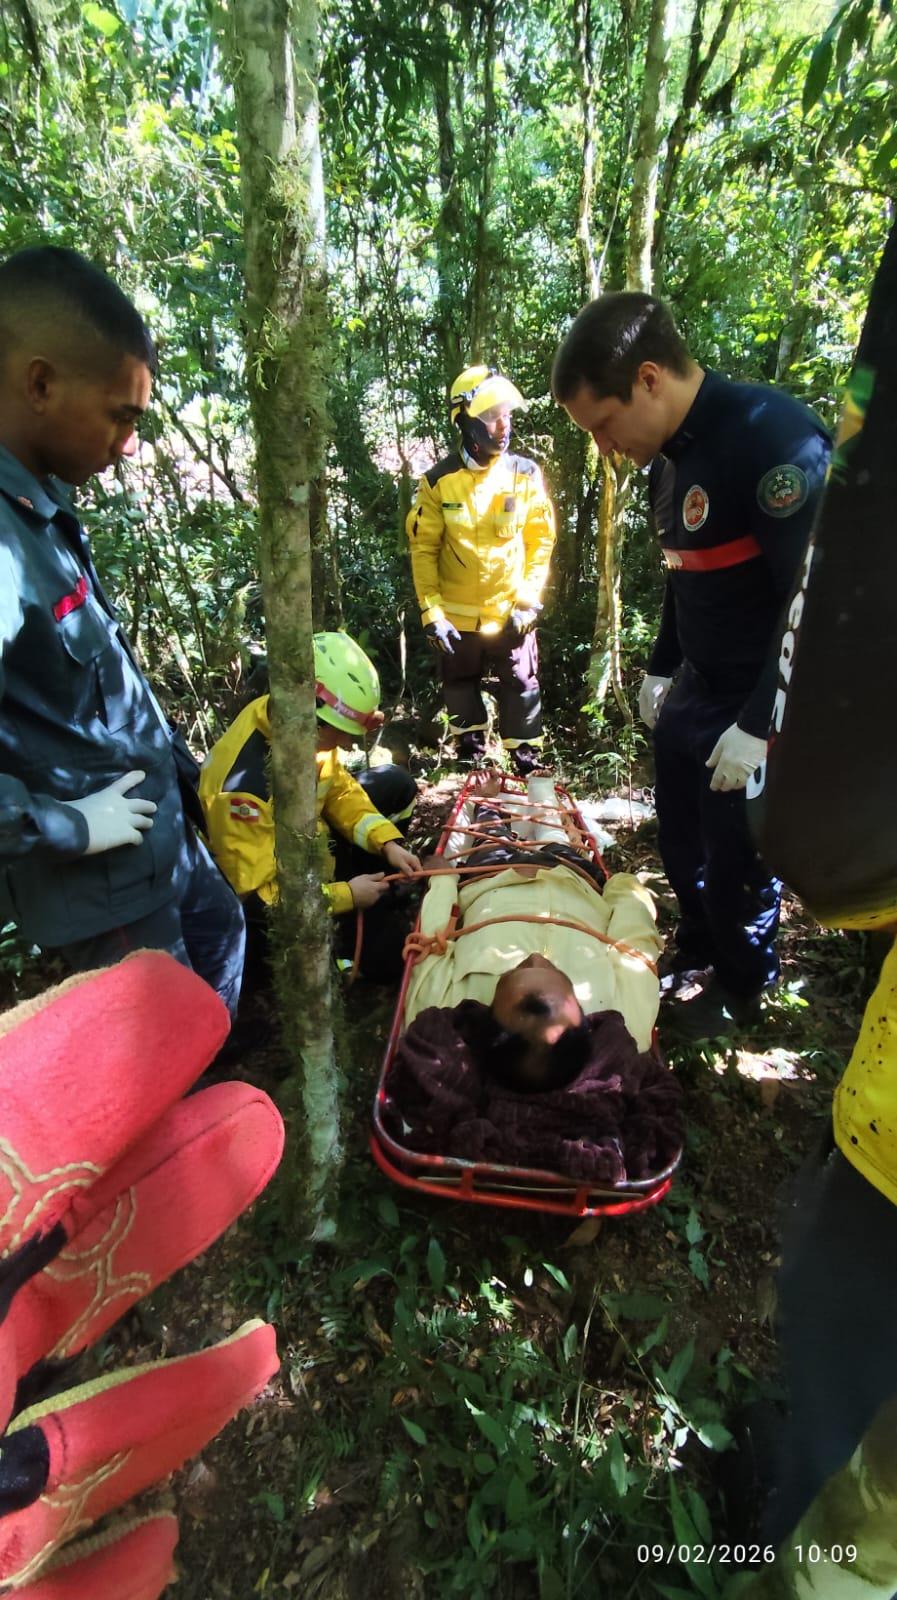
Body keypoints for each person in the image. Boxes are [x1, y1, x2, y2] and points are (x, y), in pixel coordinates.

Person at [552, 294, 831, 1038]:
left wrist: (757, 724)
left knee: (737, 859)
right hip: (694, 691)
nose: (606, 447)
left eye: (603, 425)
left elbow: (811, 601)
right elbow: (684, 575)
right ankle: (697, 947)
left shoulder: (771, 439)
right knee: (680, 843)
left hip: (756, 702)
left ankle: (743, 986)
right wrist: (659, 665)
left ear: (648, 379)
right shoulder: (664, 468)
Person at [0, 244, 245, 1016]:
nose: (129, 442)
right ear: (40, 383)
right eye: (120, 415)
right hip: (99, 884)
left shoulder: (38, 508)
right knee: (154, 1061)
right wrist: (65, 826)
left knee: (222, 939)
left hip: (154, 834)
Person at [382, 775, 682, 1183]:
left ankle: (491, 802)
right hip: (573, 883)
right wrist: (623, 888)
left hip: (491, 880)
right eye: (555, 974)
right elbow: (636, 944)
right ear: (583, 1018)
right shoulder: (625, 1020)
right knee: (554, 834)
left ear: (484, 1016)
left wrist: (444, 878)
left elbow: (433, 940)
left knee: (490, 829)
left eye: (517, 970)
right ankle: (540, 791)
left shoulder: (441, 1006)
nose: (536, 957)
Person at [199, 631, 421, 979]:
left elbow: (337, 789)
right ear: (310, 714)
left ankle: (373, 899)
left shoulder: (296, 727)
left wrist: (386, 842)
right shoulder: (245, 791)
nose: (348, 746)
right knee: (393, 960)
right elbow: (262, 901)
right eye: (343, 733)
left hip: (313, 855)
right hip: (275, 906)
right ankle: (342, 953)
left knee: (396, 784)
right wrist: (346, 895)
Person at [406, 364, 557, 775]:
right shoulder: (438, 482)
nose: (503, 425)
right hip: (457, 619)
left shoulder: (524, 475)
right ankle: (471, 765)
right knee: (459, 687)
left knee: (522, 687)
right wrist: (431, 614)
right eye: (491, 416)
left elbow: (540, 540)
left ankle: (527, 771)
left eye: (506, 414)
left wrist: (528, 601)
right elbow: (423, 549)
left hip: (511, 611)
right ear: (466, 421)